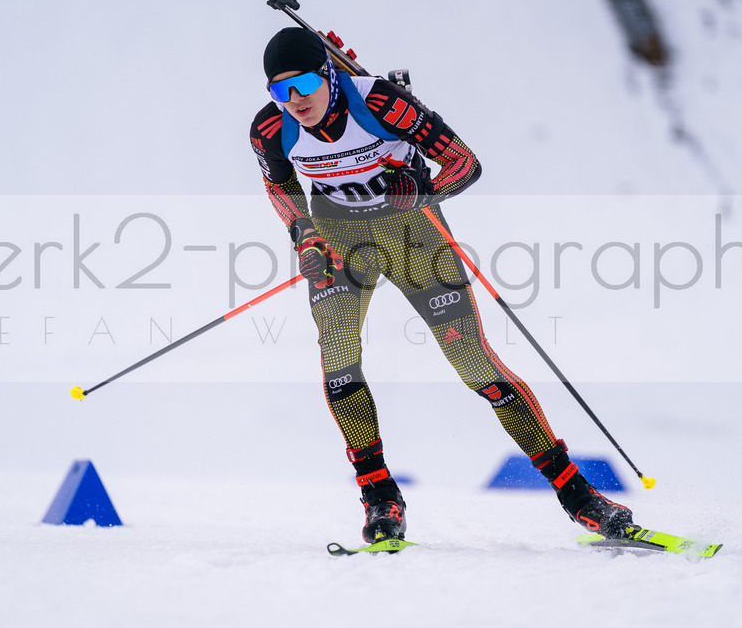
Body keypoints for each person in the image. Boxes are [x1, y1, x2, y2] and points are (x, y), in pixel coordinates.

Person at [250, 27, 635, 543]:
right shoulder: (270, 129)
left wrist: (423, 189)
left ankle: (578, 496)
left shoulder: (382, 104)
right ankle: (380, 499)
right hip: (341, 240)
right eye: (280, 90)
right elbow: (279, 183)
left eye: (301, 85)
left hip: (412, 233)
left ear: (329, 75)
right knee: (340, 364)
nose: (293, 101)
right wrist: (305, 236)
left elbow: (465, 163)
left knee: (477, 368)